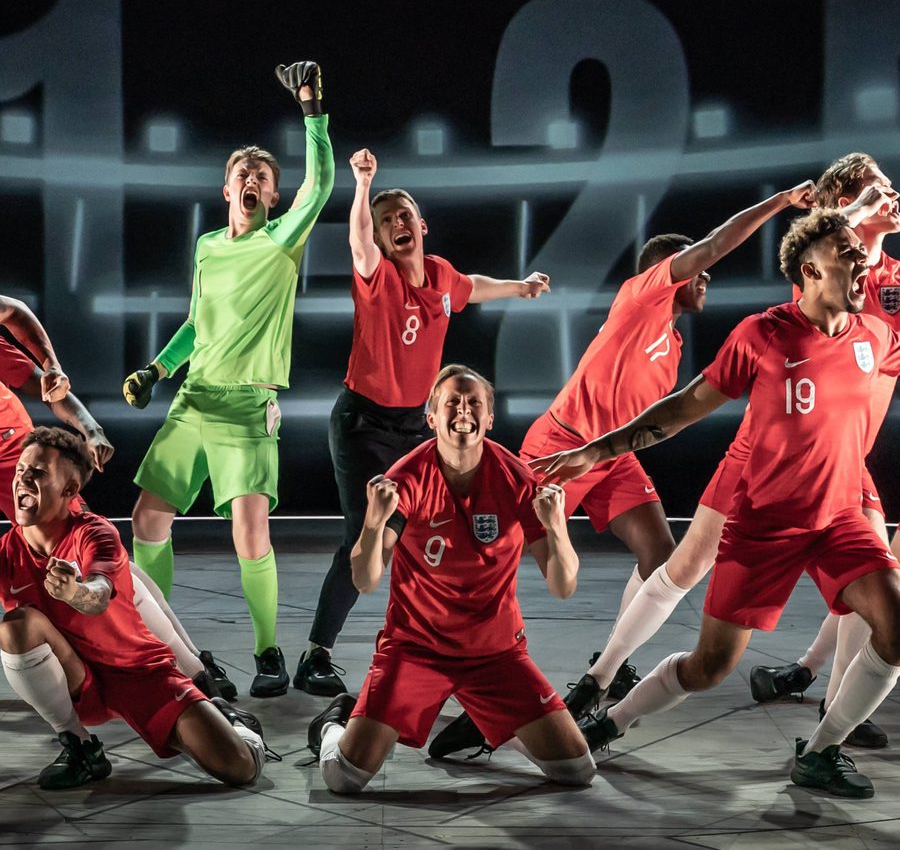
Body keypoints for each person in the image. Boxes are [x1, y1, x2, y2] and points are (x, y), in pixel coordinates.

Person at [427, 182, 817, 756]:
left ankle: (605, 668)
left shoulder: (674, 342)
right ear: (667, 271)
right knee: (492, 560)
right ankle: (461, 681)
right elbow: (709, 248)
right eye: (694, 270)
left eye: (702, 272)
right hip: (563, 446)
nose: (705, 278)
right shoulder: (643, 296)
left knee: (662, 556)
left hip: (613, 454)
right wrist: (779, 204)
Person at [532, 210, 900, 798]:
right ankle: (615, 718)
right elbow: (679, 410)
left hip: (839, 519)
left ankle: (823, 749)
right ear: (809, 270)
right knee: (709, 667)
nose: (863, 262)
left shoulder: (875, 337)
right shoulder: (763, 335)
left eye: (862, 252)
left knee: (895, 624)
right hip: (763, 528)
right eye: (848, 253)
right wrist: (597, 450)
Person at [295, 149, 551, 696]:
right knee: (367, 533)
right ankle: (316, 654)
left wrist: (520, 286)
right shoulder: (377, 275)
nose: (395, 225)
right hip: (363, 423)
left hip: (418, 427)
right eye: (387, 221)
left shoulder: (439, 274)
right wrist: (363, 184)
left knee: (426, 531)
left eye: (404, 215)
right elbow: (358, 241)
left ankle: (441, 642)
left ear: (422, 225)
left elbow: (472, 285)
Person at [122, 61, 335, 697]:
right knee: (147, 521)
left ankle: (268, 654)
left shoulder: (282, 240)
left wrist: (311, 108)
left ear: (273, 196)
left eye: (262, 176)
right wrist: (157, 367)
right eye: (241, 172)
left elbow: (320, 183)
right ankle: (157, 644)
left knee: (249, 530)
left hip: (247, 407)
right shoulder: (208, 247)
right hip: (194, 401)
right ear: (225, 189)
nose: (250, 178)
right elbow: (198, 323)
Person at [306, 365, 595, 792]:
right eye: (452, 402)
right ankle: (335, 724)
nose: (464, 410)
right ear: (432, 417)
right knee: (344, 778)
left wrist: (557, 528)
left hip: (496, 655)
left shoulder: (516, 477)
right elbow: (366, 580)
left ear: (490, 418)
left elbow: (562, 585)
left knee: (577, 770)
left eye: (474, 402)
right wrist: (371, 524)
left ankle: (484, 721)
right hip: (416, 650)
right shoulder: (407, 479)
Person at [0, 427, 267, 790]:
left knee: (240, 769)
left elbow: (98, 593)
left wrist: (74, 591)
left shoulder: (95, 533)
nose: (24, 479)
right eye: (21, 470)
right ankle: (79, 746)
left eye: (39, 473)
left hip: (138, 671)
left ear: (69, 491)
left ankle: (216, 701)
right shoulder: (7, 552)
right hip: (77, 675)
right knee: (17, 626)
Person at [0, 306, 236, 699]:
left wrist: (89, 427)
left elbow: (16, 318)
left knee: (100, 565)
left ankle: (191, 667)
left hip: (13, 458)